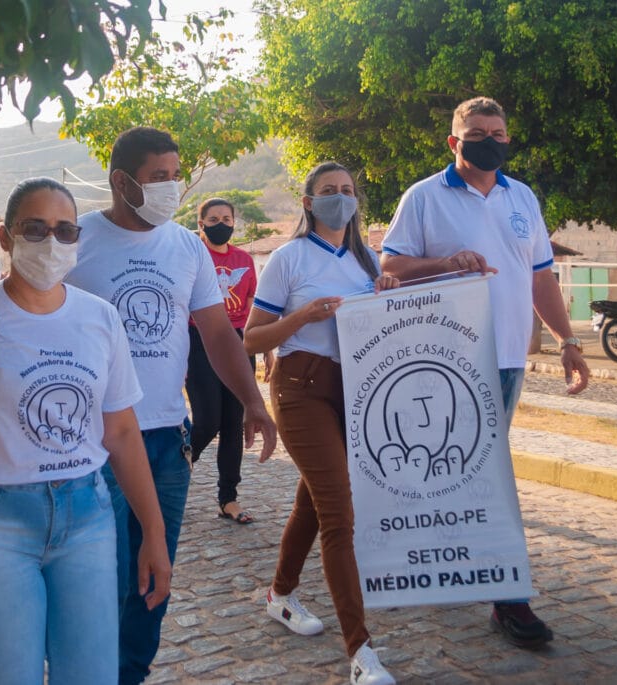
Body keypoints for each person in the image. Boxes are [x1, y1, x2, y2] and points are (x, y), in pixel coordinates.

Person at [0, 177, 172, 683]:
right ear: (6, 239)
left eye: (65, 231)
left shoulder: (101, 319)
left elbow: (120, 432)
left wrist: (154, 533)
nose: (51, 243)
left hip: (88, 519)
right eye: (35, 229)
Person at [64, 126, 277, 684]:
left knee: (153, 576)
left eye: (176, 176)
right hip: (94, 442)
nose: (172, 188)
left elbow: (217, 333)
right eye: (159, 177)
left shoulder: (185, 247)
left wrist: (253, 402)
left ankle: (128, 675)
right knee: (97, 580)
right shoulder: (75, 240)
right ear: (121, 181)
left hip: (166, 440)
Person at [380, 96, 590, 650]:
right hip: (446, 361)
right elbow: (391, 265)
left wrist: (568, 340)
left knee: (473, 470)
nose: (490, 140)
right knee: (482, 472)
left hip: (506, 360)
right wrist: (444, 264)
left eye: (499, 132)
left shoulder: (522, 197)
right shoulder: (423, 197)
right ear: (455, 141)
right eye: (478, 132)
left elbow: (541, 277)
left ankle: (464, 566)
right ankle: (508, 598)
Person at [244, 162, 398, 685]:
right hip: (301, 388)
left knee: (313, 502)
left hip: (355, 390)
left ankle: (281, 593)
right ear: (308, 202)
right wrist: (301, 318)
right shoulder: (287, 259)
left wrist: (387, 295)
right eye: (328, 192)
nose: (339, 198)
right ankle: (361, 651)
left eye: (347, 191)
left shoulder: (367, 259)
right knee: (339, 515)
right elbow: (252, 339)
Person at [185, 197, 270, 524]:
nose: (221, 223)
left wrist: (265, 349)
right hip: (199, 339)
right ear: (201, 224)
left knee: (235, 421)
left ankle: (228, 499)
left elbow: (251, 306)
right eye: (213, 218)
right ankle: (171, 473)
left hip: (239, 340)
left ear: (234, 223)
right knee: (207, 420)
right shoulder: (194, 256)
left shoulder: (245, 260)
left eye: (226, 218)